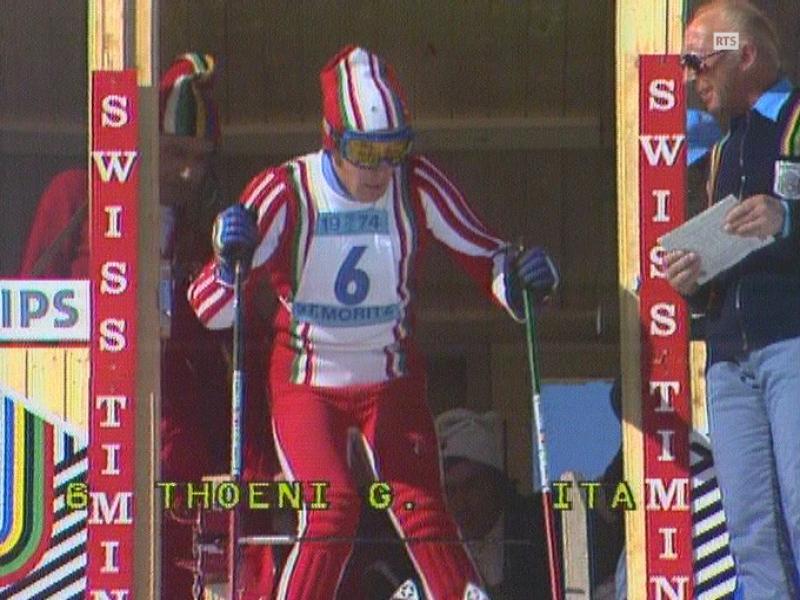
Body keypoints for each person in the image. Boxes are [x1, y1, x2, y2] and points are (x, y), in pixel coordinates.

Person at [188, 45, 560, 599]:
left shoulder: (416, 185)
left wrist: (525, 280)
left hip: (390, 377)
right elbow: (210, 308)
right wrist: (228, 261)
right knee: (331, 507)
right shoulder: (287, 192)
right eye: (364, 150)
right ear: (331, 139)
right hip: (308, 380)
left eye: (394, 150)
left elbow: (487, 256)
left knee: (422, 507)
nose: (380, 169)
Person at [666, 1, 800, 596]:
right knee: (749, 529)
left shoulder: (796, 119)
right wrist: (694, 279)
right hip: (728, 358)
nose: (693, 78)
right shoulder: (720, 151)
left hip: (791, 343)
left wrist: (788, 216)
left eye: (699, 62)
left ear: (743, 56)